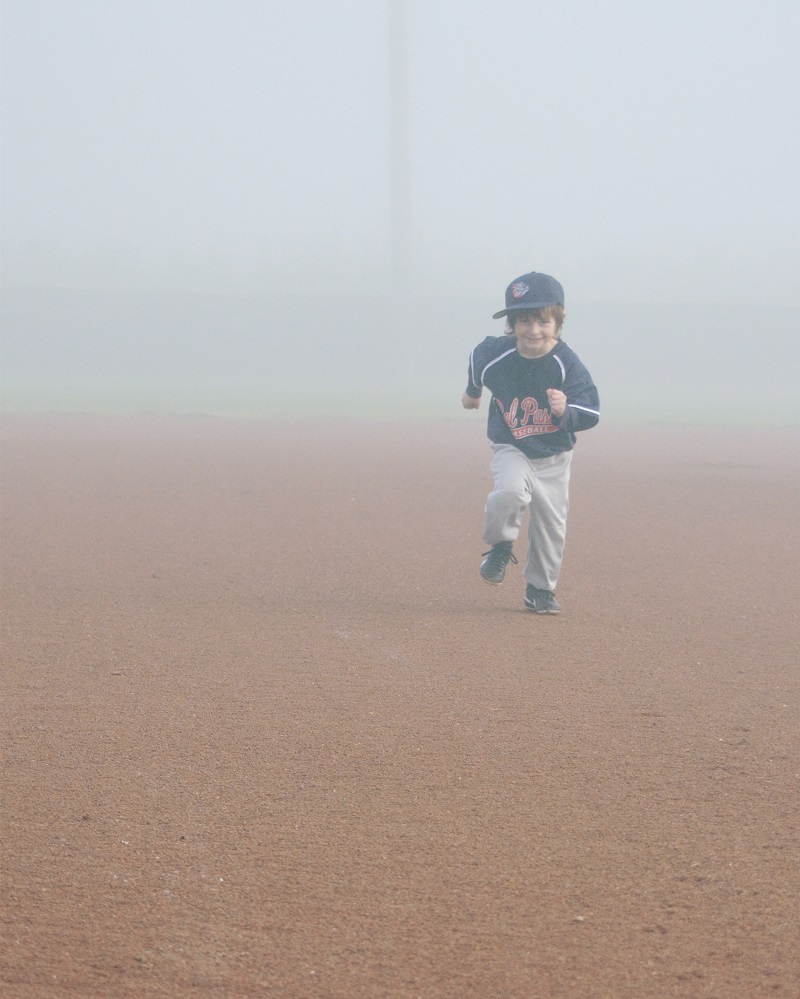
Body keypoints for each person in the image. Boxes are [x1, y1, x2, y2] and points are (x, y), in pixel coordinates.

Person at [462, 271, 599, 614]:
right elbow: (478, 359)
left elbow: (591, 410)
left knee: (550, 526)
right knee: (510, 491)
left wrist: (565, 412)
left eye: (543, 320)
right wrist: (473, 392)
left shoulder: (565, 363)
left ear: (557, 322)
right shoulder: (497, 354)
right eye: (523, 320)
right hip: (512, 445)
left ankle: (539, 590)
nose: (533, 329)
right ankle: (500, 545)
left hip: (554, 455)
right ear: (512, 324)